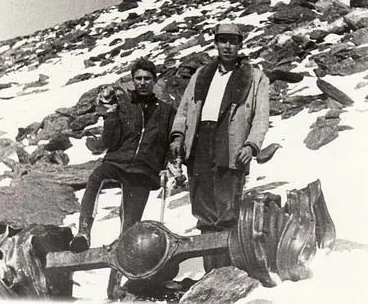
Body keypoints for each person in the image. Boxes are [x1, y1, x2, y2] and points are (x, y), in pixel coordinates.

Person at [169, 23, 270, 272]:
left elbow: (261, 117)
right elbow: (184, 109)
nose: (227, 46)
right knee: (203, 210)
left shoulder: (255, 77)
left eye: (233, 41)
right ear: (215, 43)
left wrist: (252, 145)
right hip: (201, 142)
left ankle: (228, 270)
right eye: (222, 41)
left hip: (231, 144)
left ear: (240, 45)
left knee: (227, 209)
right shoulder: (202, 75)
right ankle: (210, 272)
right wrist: (178, 136)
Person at [70, 57, 176, 252]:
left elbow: (172, 141)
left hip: (144, 171)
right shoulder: (124, 106)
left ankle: (118, 278)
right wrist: (111, 115)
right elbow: (109, 142)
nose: (142, 83)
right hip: (118, 162)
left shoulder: (167, 111)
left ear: (155, 80)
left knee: (128, 230)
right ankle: (83, 232)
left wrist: (170, 163)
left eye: (147, 78)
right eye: (138, 78)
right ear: (133, 80)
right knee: (96, 177)